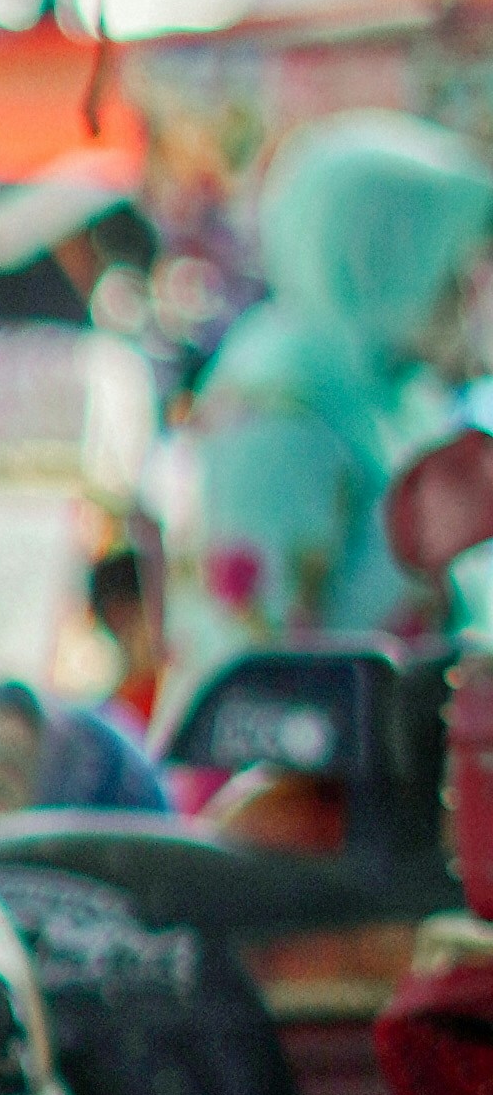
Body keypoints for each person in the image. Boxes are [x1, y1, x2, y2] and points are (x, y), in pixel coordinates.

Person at [177, 111, 493, 691]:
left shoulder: (391, 394)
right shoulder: (282, 404)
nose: (464, 296)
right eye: (446, 270)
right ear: (381, 257)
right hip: (291, 775)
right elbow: (263, 657)